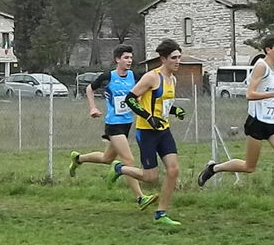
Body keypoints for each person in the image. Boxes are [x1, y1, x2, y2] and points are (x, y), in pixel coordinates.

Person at [198, 35, 274, 219]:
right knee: (249, 167)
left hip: (273, 121)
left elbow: (268, 92)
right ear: (268, 50)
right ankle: (214, 168)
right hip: (257, 122)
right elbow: (250, 94)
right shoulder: (261, 66)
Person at [106, 39, 186, 226]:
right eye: (174, 58)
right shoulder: (152, 77)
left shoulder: (172, 79)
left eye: (179, 57)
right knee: (151, 177)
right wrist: (149, 117)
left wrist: (176, 110)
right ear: (163, 59)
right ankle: (119, 169)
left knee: (173, 170)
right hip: (147, 131)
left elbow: (163, 105)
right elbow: (131, 99)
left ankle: (161, 213)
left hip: (164, 130)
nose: (178, 61)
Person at [68, 44, 157, 211]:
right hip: (113, 124)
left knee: (106, 158)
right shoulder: (108, 77)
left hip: (127, 124)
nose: (129, 61)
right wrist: (93, 108)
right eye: (126, 58)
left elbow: (141, 93)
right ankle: (140, 198)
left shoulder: (134, 76)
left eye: (131, 58)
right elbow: (89, 88)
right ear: (117, 59)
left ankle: (78, 158)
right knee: (128, 160)